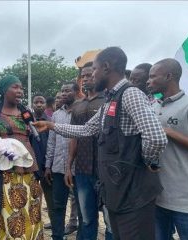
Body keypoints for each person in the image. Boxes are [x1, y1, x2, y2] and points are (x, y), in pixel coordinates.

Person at [34, 47, 168, 240]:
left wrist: (145, 162)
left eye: (94, 69)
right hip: (118, 187)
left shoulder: (130, 94)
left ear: (106, 67)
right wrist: (51, 125)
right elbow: (87, 130)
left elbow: (155, 137)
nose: (90, 76)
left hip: (134, 190)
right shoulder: (111, 99)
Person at [0, 75, 43, 239]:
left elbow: (35, 137)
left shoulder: (26, 112)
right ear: (3, 90)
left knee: (31, 213)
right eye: (15, 87)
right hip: (4, 172)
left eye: (21, 88)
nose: (20, 91)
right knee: (8, 214)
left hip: (29, 170)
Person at [147, 58, 188, 240]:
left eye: (153, 76)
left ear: (169, 76)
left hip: (186, 201)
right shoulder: (152, 107)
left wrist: (169, 132)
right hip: (157, 197)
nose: (148, 81)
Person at [64, 61, 112, 240]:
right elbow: (74, 137)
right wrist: (69, 166)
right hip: (83, 169)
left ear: (99, 74)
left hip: (107, 170)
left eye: (90, 74)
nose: (85, 78)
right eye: (82, 76)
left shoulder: (109, 100)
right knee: (86, 219)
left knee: (110, 220)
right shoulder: (78, 105)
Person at [45, 81, 82, 240]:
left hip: (79, 169)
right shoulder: (56, 115)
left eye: (68, 90)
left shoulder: (82, 110)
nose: (64, 94)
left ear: (76, 91)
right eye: (62, 91)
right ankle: (57, 236)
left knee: (82, 207)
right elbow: (51, 142)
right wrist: (48, 165)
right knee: (58, 206)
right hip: (59, 168)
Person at [31, 93, 54, 230]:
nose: (39, 104)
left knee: (51, 200)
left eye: (41, 102)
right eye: (36, 102)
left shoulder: (51, 121)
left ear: (46, 104)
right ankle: (35, 224)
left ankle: (54, 223)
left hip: (47, 168)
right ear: (32, 104)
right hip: (32, 167)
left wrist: (49, 166)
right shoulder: (26, 121)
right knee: (33, 199)